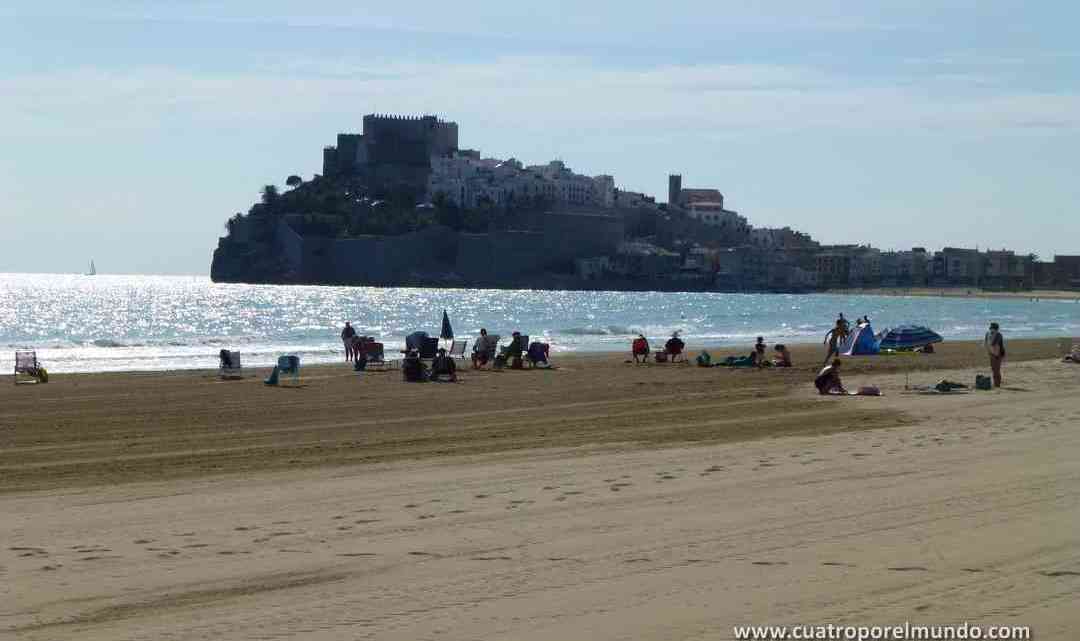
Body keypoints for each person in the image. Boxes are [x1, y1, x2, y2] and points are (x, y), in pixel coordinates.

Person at [984, 321, 1006, 388]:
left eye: (993, 328)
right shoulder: (988, 334)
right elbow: (986, 343)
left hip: (998, 354)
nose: (992, 330)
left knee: (996, 370)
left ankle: (997, 384)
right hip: (992, 353)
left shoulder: (998, 335)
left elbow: (993, 343)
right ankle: (996, 383)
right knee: (994, 369)